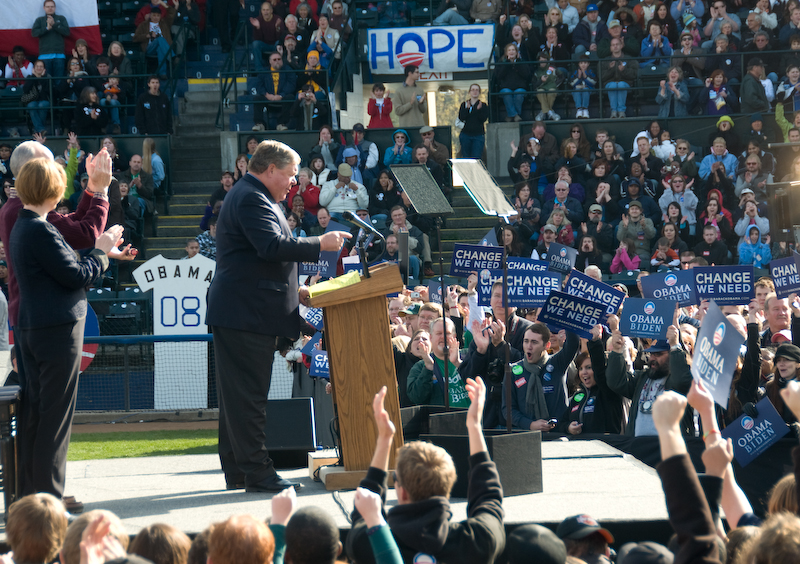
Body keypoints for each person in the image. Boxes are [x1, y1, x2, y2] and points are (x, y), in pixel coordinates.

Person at [206, 140, 350, 492]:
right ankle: (257, 472)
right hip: (245, 314)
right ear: (270, 170)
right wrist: (321, 243)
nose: (294, 183)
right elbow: (271, 247)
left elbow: (260, 257)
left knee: (237, 400)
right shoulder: (251, 197)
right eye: (288, 175)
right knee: (249, 398)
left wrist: (295, 291)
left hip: (243, 311)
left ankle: (240, 471)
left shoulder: (253, 195)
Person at [11, 155, 123, 498]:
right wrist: (101, 252)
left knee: (37, 417)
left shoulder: (25, 225)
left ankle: (33, 498)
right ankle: (48, 502)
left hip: (36, 330)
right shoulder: (39, 229)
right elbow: (75, 275)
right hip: (55, 333)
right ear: (54, 191)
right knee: (53, 421)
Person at [347, 380, 504, 564]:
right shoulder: (477, 541)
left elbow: (365, 507)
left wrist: (384, 439)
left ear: (402, 492)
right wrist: (474, 425)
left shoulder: (368, 543)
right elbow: (489, 499)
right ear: (447, 487)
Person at [502, 322, 580, 431]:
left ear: (546, 345)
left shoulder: (557, 363)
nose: (529, 346)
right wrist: (530, 424)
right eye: (526, 341)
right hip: (528, 436)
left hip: (557, 435)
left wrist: (568, 320)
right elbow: (508, 410)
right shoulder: (513, 371)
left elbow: (573, 344)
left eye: (534, 342)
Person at [252, 52, 295, 132]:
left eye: (279, 59)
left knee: (290, 97)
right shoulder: (264, 71)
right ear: (270, 62)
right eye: (274, 60)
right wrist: (266, 95)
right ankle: (259, 124)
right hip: (268, 97)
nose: (277, 61)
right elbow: (259, 85)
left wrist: (281, 95)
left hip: (282, 98)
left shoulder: (288, 70)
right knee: (257, 98)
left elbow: (291, 84)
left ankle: (282, 124)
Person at [133, 5, 176, 77]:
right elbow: (135, 38)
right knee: (160, 39)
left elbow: (172, 13)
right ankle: (171, 57)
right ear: (150, 15)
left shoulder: (164, 24)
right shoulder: (143, 25)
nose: (156, 17)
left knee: (160, 48)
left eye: (158, 16)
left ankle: (163, 74)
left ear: (160, 16)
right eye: (154, 15)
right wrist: (147, 35)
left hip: (162, 48)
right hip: (150, 48)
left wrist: (163, 4)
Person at [32, 0, 70, 79]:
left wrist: (54, 25)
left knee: (59, 80)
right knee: (46, 80)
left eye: (52, 6)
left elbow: (67, 32)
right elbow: (34, 33)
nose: (50, 8)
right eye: (48, 7)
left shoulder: (61, 18)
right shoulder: (40, 20)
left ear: (55, 8)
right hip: (44, 56)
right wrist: (46, 28)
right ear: (44, 8)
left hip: (59, 55)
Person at [602, 37, 638, 118]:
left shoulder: (629, 59)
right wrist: (610, 69)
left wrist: (624, 70)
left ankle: (621, 112)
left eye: (617, 44)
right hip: (609, 83)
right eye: (613, 45)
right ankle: (614, 111)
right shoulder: (605, 60)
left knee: (621, 85)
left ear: (621, 45)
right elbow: (602, 77)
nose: (615, 46)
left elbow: (634, 74)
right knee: (613, 85)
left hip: (626, 83)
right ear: (610, 48)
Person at [250, 1, 284, 72]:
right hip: (264, 44)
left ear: (271, 10)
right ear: (261, 11)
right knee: (255, 44)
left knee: (278, 43)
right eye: (264, 10)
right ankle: (259, 69)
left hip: (275, 44)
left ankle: (276, 67)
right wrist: (258, 28)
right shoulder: (258, 20)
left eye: (267, 10)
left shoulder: (277, 19)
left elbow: (280, 38)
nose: (266, 12)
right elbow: (257, 39)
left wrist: (277, 28)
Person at [458, 84, 489, 158]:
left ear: (479, 92)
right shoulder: (464, 104)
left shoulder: (483, 105)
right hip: (466, 134)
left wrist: (477, 110)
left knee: (476, 158)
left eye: (477, 90)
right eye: (473, 90)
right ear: (469, 92)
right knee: (466, 157)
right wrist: (467, 109)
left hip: (478, 135)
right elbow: (462, 117)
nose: (475, 92)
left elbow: (483, 119)